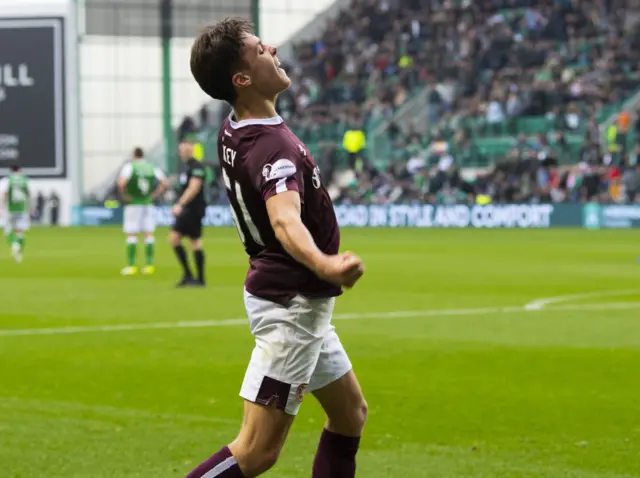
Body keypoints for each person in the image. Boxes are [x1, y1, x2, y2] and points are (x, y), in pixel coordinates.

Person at [187, 18, 367, 478]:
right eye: (258, 49)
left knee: (350, 415)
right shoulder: (271, 146)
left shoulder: (237, 127)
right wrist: (325, 263)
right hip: (292, 305)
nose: (271, 47)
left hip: (294, 299)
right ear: (241, 79)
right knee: (255, 452)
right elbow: (285, 220)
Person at [117, 147, 168, 276]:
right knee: (148, 233)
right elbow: (164, 182)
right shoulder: (152, 167)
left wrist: (125, 195)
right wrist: (155, 194)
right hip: (148, 202)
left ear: (134, 155)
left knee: (132, 234)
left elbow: (121, 183)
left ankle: (132, 265)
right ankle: (149, 265)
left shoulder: (129, 167)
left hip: (134, 203)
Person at [170, 139, 207, 287]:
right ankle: (196, 278)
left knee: (176, 238)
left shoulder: (196, 167)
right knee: (194, 241)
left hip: (192, 209)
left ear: (189, 149)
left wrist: (180, 204)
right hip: (191, 210)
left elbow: (194, 188)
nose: (180, 152)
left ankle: (192, 276)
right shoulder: (186, 167)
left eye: (183, 149)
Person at [0, 164, 30, 263]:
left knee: (8, 230)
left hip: (10, 209)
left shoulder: (7, 180)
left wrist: (1, 208)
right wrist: (29, 208)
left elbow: (4, 194)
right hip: (22, 209)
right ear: (20, 170)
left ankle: (14, 246)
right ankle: (19, 254)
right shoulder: (24, 180)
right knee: (20, 232)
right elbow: (29, 194)